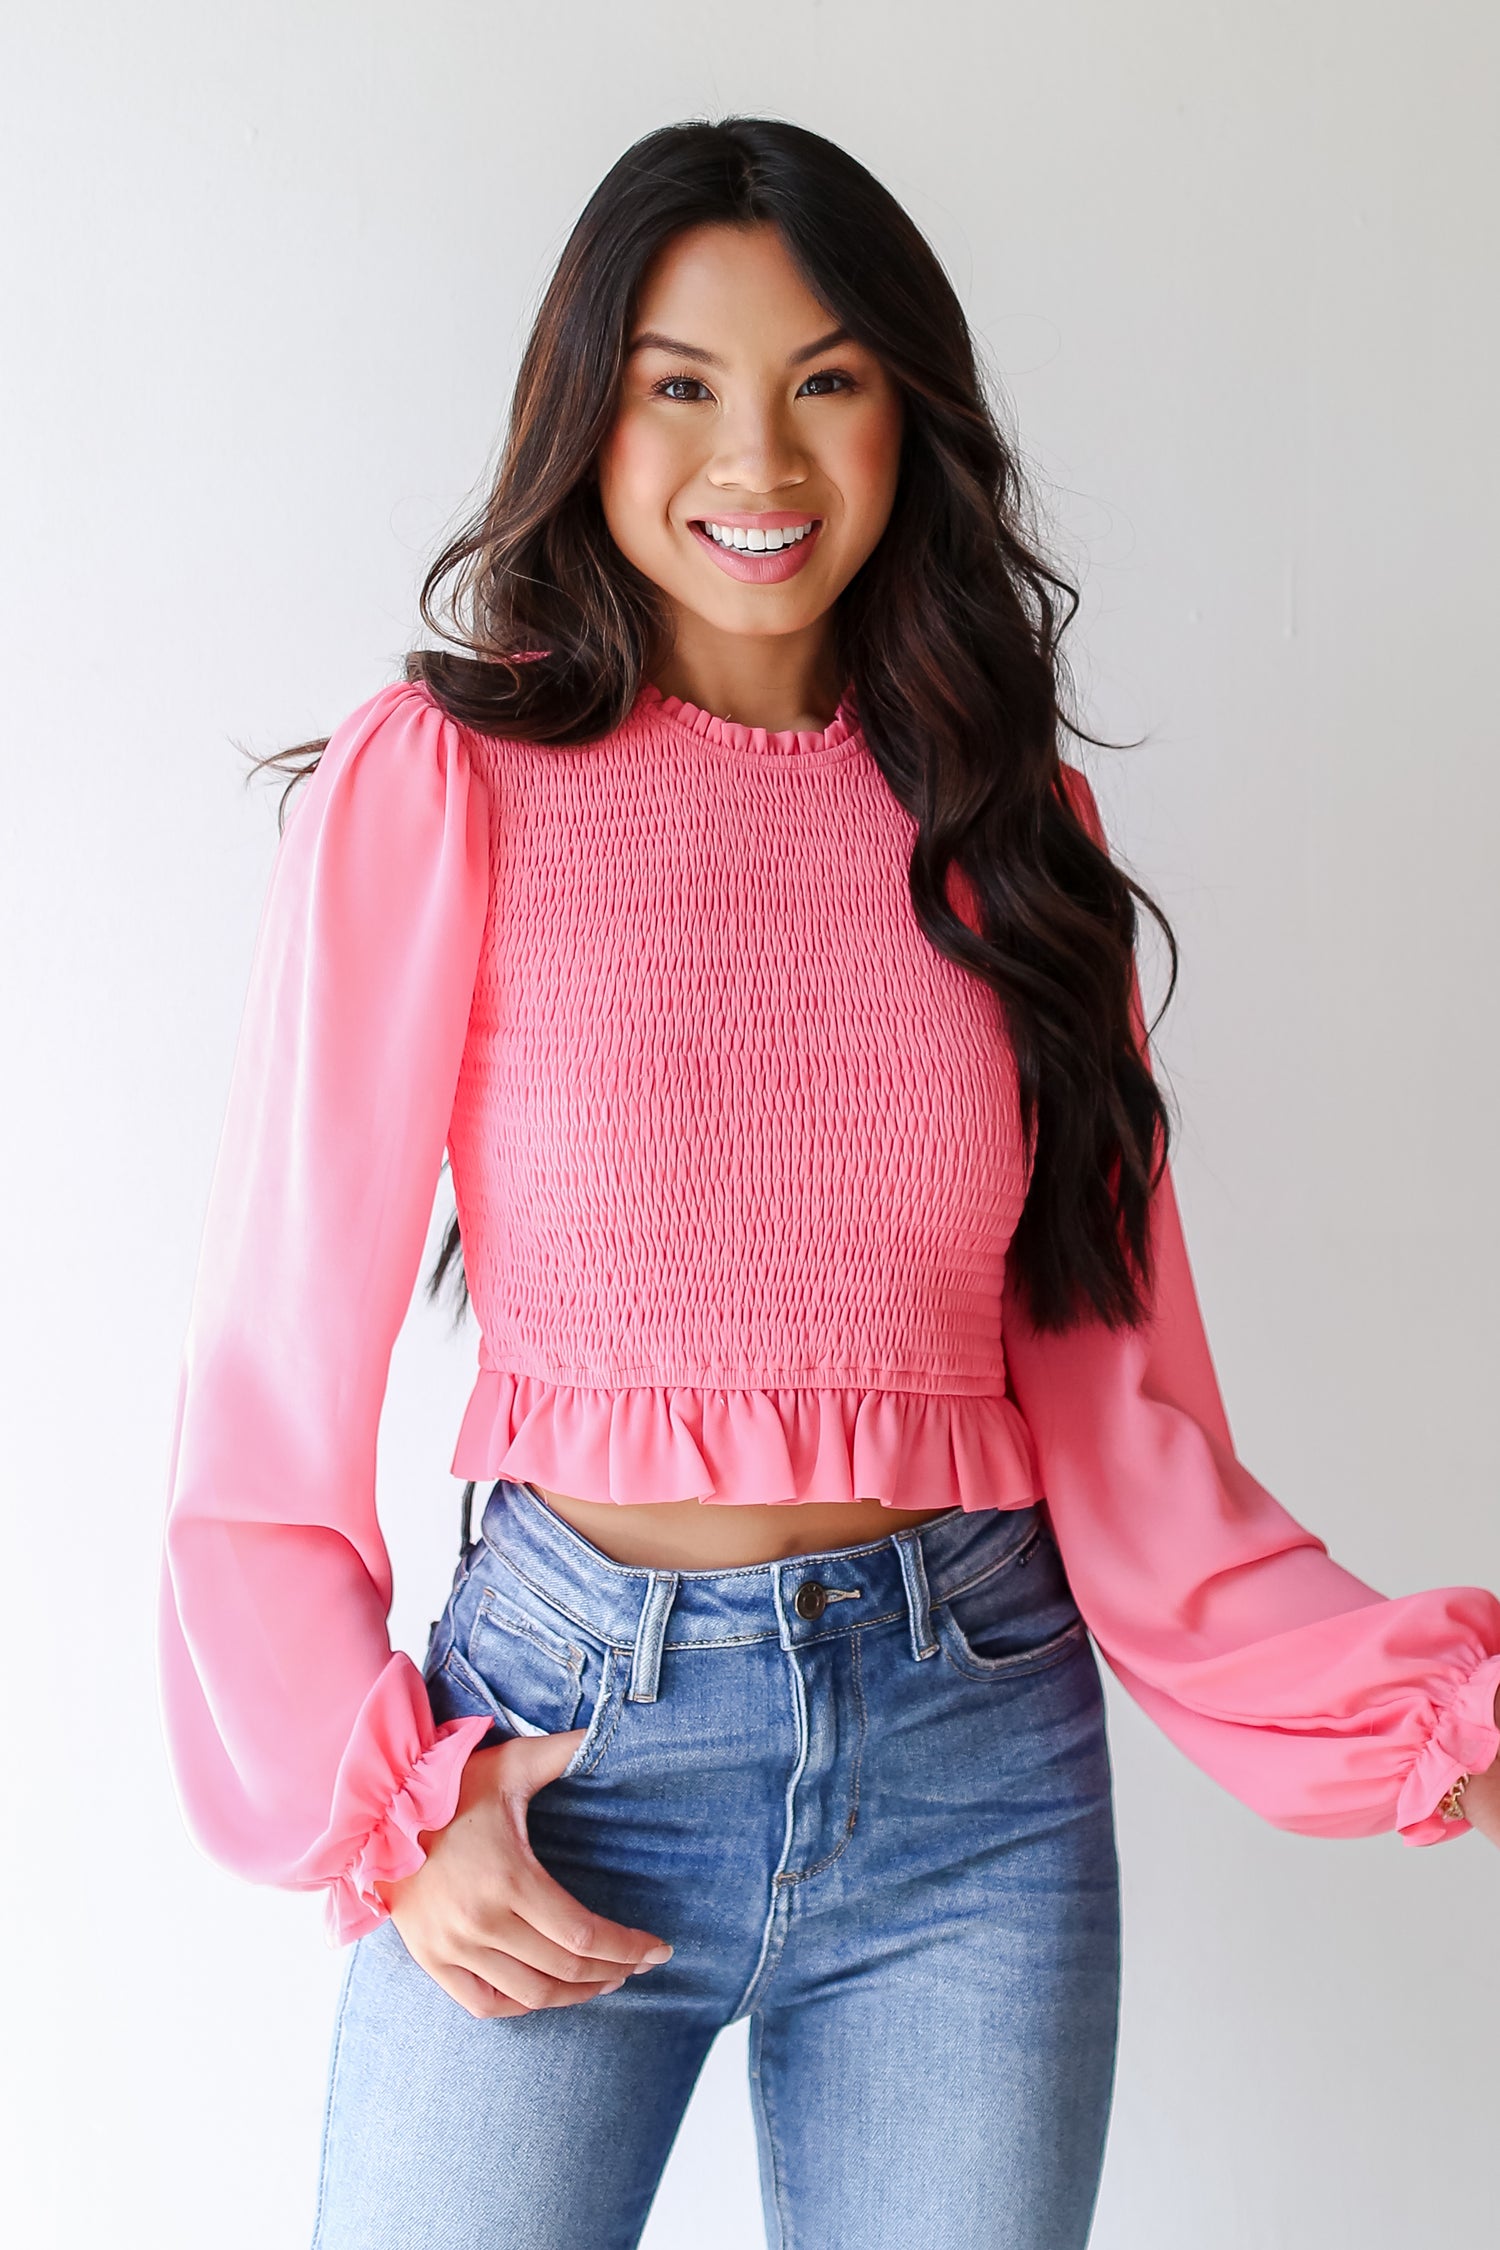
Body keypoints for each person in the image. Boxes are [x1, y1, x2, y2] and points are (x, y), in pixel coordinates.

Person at [157, 116, 1500, 2250]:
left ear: (913, 412)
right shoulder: (450, 788)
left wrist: (1435, 1715)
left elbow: (1125, 1423)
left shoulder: (1008, 826)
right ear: (586, 414)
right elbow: (269, 1391)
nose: (758, 462)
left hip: (977, 1771)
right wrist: (388, 1818)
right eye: (680, 384)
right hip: (555, 1754)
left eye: (830, 379)